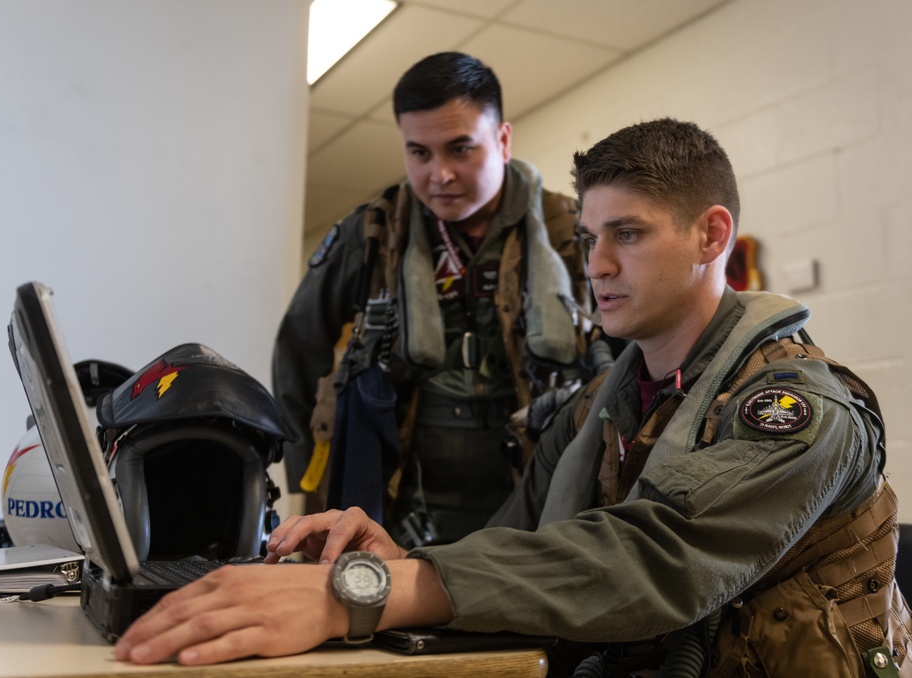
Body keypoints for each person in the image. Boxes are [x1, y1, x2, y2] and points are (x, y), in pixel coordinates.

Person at [116, 118, 910, 676]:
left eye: (626, 235)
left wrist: (365, 593)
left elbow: (655, 555)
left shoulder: (797, 414)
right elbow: (521, 540)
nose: (595, 265)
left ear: (711, 236)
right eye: (588, 238)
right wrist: (402, 558)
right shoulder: (602, 405)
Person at [272, 51, 602, 546]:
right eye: (419, 152)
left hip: (538, 496)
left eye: (460, 149)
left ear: (503, 140)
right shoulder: (371, 234)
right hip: (399, 500)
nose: (439, 174)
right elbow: (297, 348)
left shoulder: (573, 230)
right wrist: (309, 479)